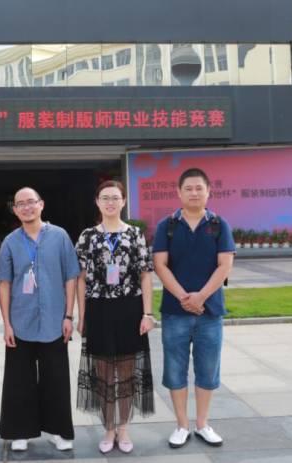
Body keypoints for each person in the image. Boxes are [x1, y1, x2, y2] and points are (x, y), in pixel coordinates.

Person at [152, 168, 235, 449]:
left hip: (210, 313)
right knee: (175, 369)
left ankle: (202, 424)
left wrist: (200, 297)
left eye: (199, 188)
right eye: (188, 188)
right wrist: (184, 298)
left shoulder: (219, 225)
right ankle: (181, 425)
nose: (194, 193)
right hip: (175, 312)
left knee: (208, 370)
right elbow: (160, 265)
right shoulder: (167, 225)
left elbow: (225, 265)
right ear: (179, 192)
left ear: (209, 191)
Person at [0, 187, 80, 452]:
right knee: (19, 380)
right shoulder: (10, 242)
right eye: (20, 204)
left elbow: (71, 277)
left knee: (56, 379)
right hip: (21, 321)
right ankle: (20, 432)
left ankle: (58, 431)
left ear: (41, 204)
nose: (26, 207)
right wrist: (7, 324)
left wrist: (69, 315)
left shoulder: (60, 236)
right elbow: (4, 284)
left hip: (55, 321)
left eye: (31, 202)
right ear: (15, 210)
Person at [75, 180, 155, 454]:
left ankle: (124, 428)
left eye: (115, 197)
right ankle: (109, 428)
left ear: (123, 201)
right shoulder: (87, 236)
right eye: (105, 198)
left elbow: (145, 276)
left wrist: (147, 313)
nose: (110, 202)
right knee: (104, 375)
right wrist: (81, 316)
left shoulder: (135, 234)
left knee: (127, 373)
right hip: (98, 309)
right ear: (97, 202)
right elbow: (80, 278)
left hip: (129, 309)